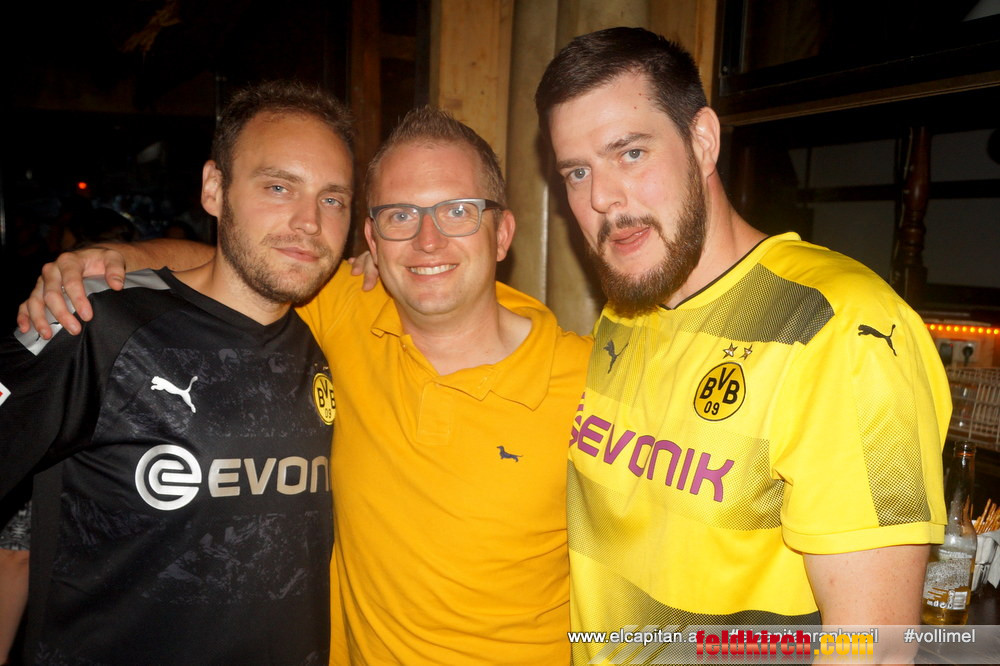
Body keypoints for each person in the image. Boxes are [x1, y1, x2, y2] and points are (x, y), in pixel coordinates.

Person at [18, 107, 591, 664]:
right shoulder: (340, 306)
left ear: (502, 233)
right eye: (400, 216)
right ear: (372, 239)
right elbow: (238, 265)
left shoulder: (590, 386)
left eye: (458, 211)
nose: (428, 240)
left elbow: (643, 600)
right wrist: (117, 260)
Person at [533, 27, 951, 664]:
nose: (601, 198)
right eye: (578, 172)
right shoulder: (627, 311)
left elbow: (876, 651)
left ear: (703, 140)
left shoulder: (845, 329)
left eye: (631, 153)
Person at [0, 80, 353, 664]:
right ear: (215, 189)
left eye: (333, 199)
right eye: (278, 187)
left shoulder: (335, 329)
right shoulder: (92, 322)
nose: (310, 221)